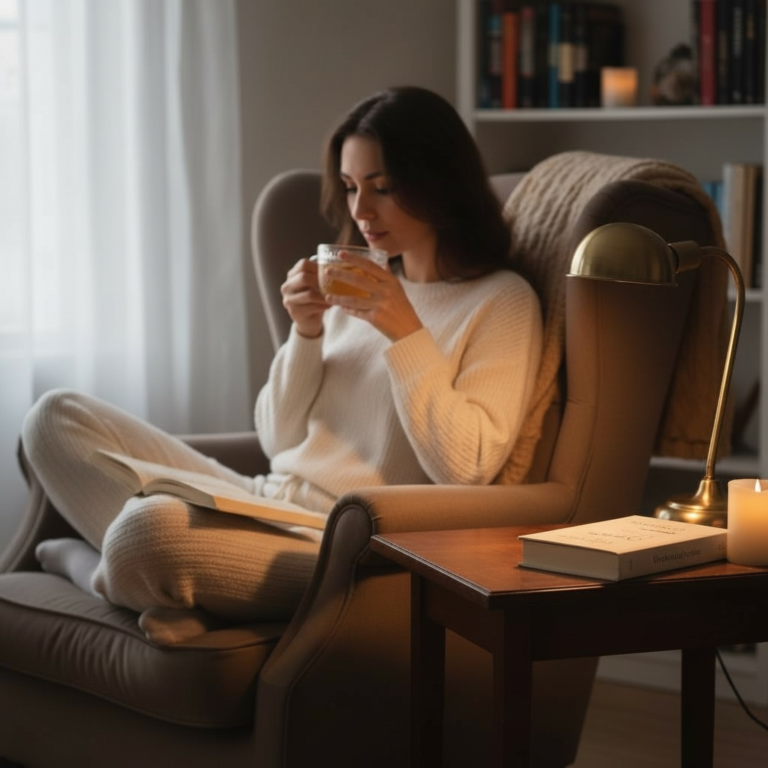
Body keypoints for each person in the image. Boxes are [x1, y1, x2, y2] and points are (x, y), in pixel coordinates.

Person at [22, 86, 542, 644]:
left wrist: (404, 329)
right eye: (349, 188)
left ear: (439, 184)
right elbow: (278, 440)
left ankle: (90, 568)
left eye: (383, 188)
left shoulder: (501, 302)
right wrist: (306, 333)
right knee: (53, 418)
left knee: (148, 535)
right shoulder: (360, 281)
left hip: (343, 545)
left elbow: (467, 468)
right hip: (266, 499)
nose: (360, 211)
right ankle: (178, 594)